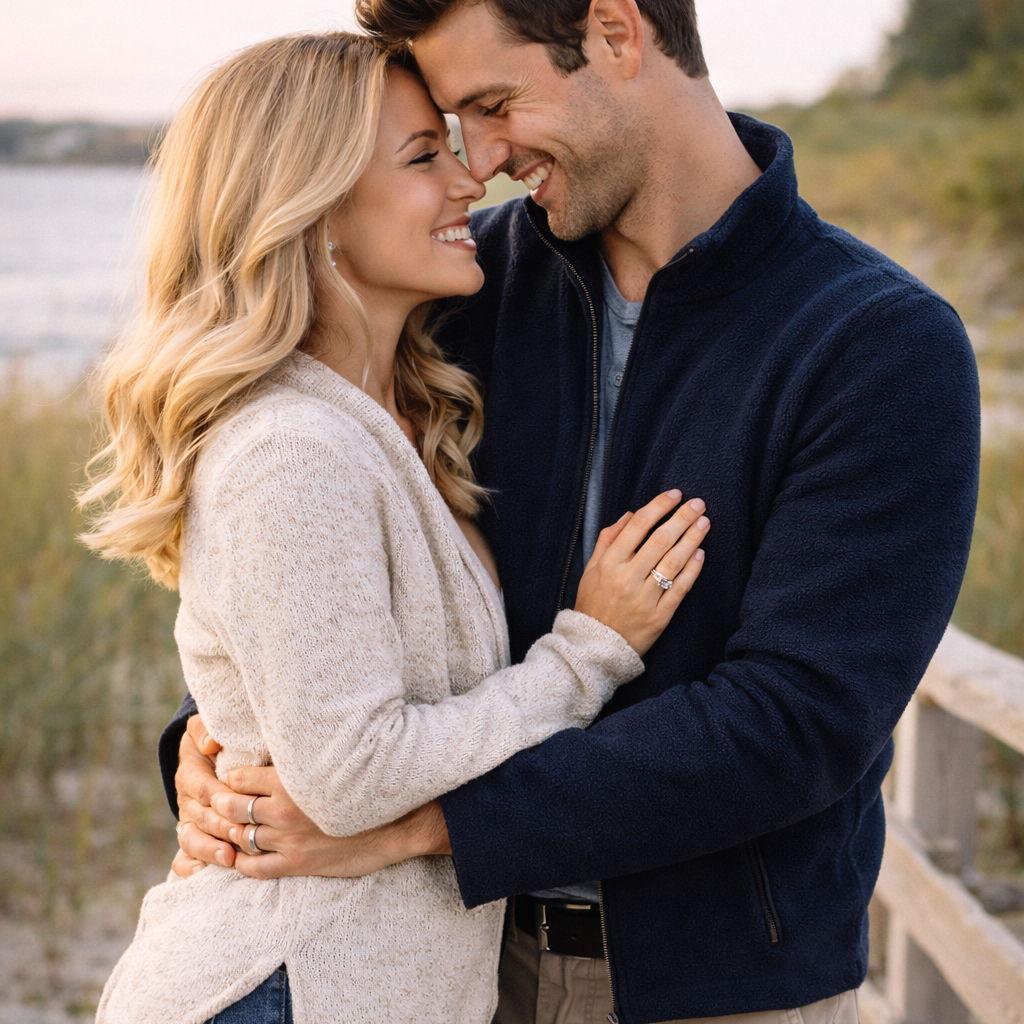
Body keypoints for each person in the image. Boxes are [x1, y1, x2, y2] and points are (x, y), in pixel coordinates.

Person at [168, 2, 982, 1023]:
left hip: (721, 989)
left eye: (495, 105)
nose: (486, 159)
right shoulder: (461, 284)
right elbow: (319, 570)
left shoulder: (875, 343)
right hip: (458, 967)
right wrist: (212, 749)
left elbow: (796, 724)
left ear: (614, 31)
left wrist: (426, 825)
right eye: (454, 128)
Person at [80, 29, 712, 1024]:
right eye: (423, 157)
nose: (471, 179)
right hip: (288, 989)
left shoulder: (397, 416)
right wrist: (585, 655)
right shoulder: (292, 447)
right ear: (313, 204)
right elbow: (350, 774)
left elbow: (317, 693)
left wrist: (208, 742)